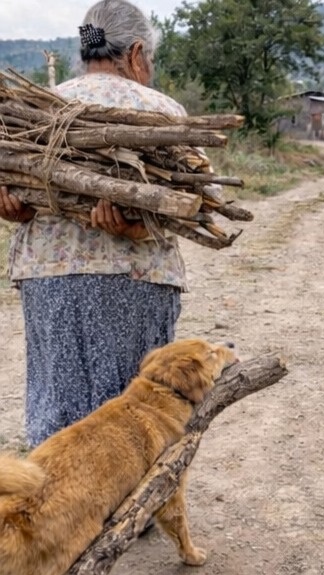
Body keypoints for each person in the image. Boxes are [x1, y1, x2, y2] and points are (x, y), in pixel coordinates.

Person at [0, 0, 190, 448]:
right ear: (137, 53)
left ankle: (55, 489)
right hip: (137, 279)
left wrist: (14, 208)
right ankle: (131, 492)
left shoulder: (40, 110)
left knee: (59, 413)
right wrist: (135, 229)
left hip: (49, 281)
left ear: (86, 49)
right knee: (134, 415)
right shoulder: (163, 113)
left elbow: (14, 186)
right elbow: (193, 205)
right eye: (150, 59)